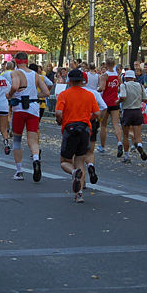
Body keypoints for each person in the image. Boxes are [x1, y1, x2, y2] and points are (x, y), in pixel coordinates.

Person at [56, 69, 102, 203]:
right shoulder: (89, 95)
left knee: (64, 161)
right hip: (85, 129)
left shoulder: (64, 94)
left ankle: (73, 172)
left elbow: (59, 112)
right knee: (81, 161)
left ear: (69, 80)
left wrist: (61, 121)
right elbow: (98, 114)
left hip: (70, 129)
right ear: (82, 81)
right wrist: (88, 117)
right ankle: (79, 194)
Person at [6, 52, 50, 182]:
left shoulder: (15, 73)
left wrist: (10, 94)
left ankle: (19, 171)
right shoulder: (35, 74)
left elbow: (14, 86)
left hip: (19, 108)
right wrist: (36, 96)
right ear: (26, 60)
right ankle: (36, 159)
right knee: (33, 139)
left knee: (17, 140)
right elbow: (47, 92)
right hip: (34, 108)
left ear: (16, 61)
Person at [119, 69, 147, 164]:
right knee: (137, 135)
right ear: (134, 78)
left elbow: (123, 96)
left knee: (126, 135)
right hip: (137, 111)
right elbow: (145, 98)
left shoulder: (124, 85)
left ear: (126, 78)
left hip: (127, 111)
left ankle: (126, 156)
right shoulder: (139, 85)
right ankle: (139, 145)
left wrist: (118, 101)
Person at [97, 58, 124, 155]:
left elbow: (102, 88)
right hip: (115, 101)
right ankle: (119, 142)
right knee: (116, 124)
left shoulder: (105, 75)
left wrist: (97, 89)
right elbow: (121, 86)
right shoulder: (117, 75)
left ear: (106, 65)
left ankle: (102, 146)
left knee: (103, 125)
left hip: (105, 102)